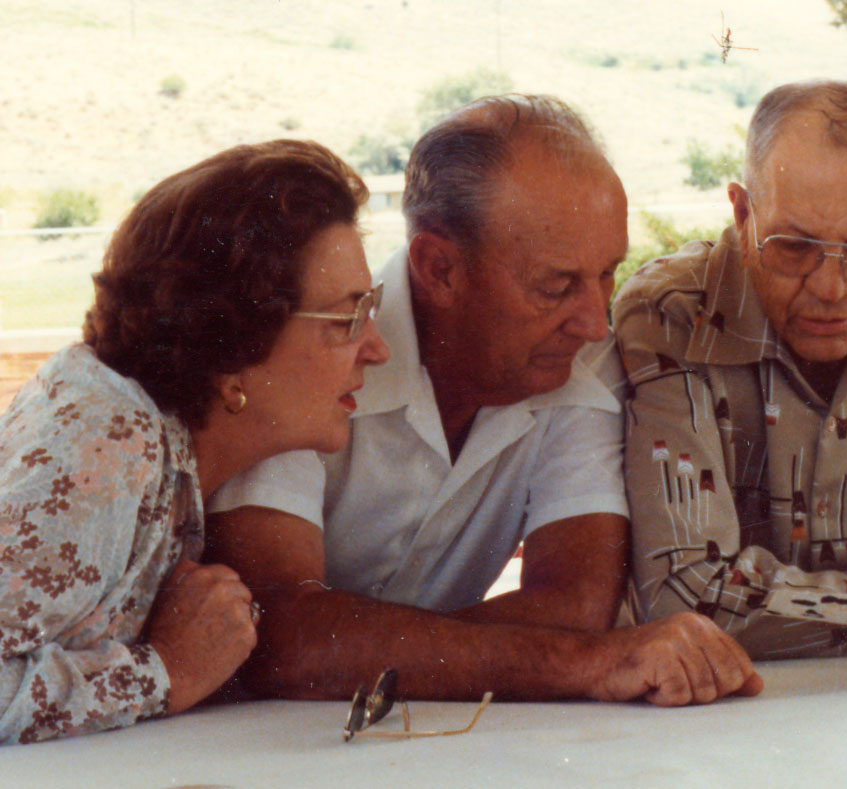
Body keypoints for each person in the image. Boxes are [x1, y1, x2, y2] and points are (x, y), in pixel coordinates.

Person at [207, 95, 762, 707]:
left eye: (607, 274)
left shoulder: (574, 365)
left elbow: (575, 609)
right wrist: (578, 664)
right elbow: (278, 634)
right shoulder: (308, 353)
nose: (594, 323)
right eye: (556, 286)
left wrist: (358, 650)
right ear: (440, 269)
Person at [0, 139, 388, 744]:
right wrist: (164, 674)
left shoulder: (156, 445)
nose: (378, 347)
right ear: (232, 346)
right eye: (348, 318)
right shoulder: (108, 444)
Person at [614, 79, 847, 669]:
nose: (831, 289)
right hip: (704, 727)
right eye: (794, 246)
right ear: (743, 214)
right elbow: (684, 595)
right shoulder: (673, 314)